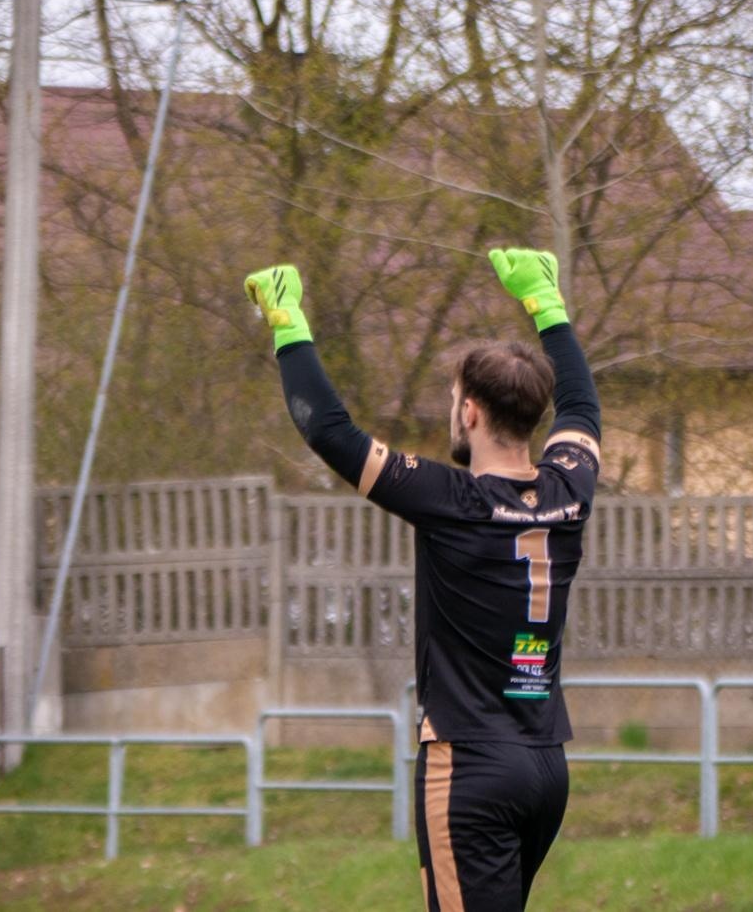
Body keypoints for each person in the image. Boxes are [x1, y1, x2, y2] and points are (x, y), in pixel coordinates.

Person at [246, 248, 600, 912]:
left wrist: (287, 321)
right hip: (545, 764)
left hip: (469, 766)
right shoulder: (569, 487)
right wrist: (545, 304)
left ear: (469, 412)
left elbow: (328, 429)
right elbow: (582, 401)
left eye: (451, 399)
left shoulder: (453, 499)